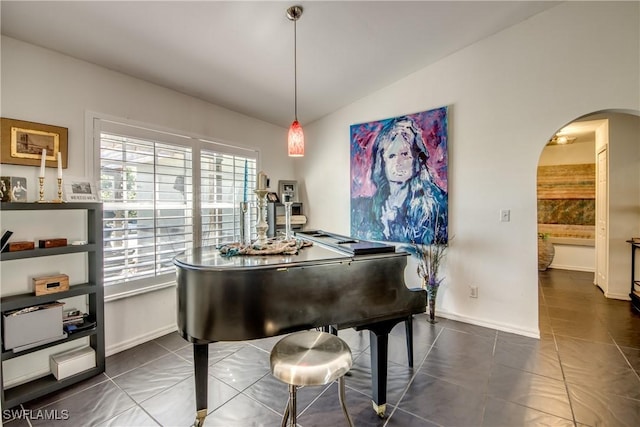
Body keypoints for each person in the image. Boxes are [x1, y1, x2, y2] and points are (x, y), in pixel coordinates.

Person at [351, 117, 447, 245]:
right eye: (391, 156)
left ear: (416, 159)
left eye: (405, 154)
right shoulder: (363, 208)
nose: (398, 163)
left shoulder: (435, 206)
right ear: (382, 163)